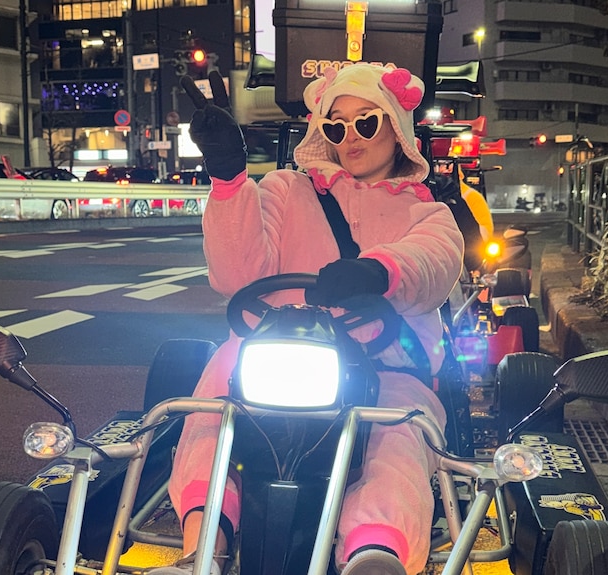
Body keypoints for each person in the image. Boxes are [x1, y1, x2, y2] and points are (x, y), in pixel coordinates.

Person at [151, 63, 464, 575]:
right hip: (278, 349)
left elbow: (434, 261)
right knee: (215, 399)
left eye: (366, 122)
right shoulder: (285, 189)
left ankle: (374, 554)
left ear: (397, 128)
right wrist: (229, 177)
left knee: (398, 434)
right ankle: (203, 547)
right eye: (335, 126)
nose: (350, 138)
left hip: (384, 362)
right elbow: (236, 273)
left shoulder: (426, 212)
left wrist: (378, 272)